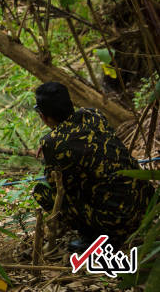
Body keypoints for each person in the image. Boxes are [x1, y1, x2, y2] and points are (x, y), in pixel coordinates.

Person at [32, 82, 153, 251]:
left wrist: (49, 151)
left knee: (42, 191)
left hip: (117, 223)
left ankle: (96, 237)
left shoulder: (53, 142)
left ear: (43, 116)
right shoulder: (93, 114)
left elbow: (61, 187)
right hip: (145, 205)